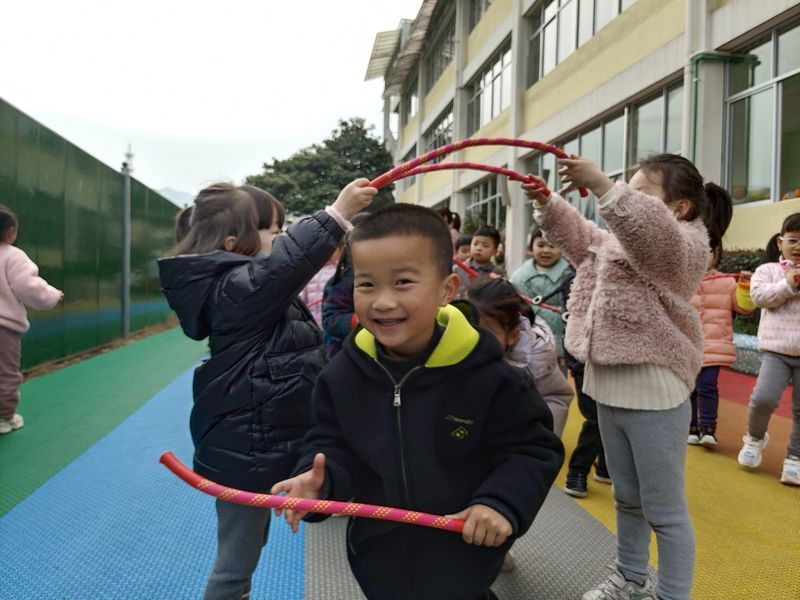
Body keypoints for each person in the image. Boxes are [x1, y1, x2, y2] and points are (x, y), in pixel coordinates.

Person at [271, 204, 564, 600]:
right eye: (366, 284)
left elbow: (531, 450)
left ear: (447, 290)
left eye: (403, 282)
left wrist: (500, 502)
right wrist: (319, 479)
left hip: (463, 549)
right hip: (377, 550)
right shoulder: (342, 375)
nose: (382, 302)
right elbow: (332, 441)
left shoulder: (492, 377)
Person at [523, 153, 731, 600]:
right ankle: (631, 578)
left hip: (655, 395)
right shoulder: (617, 244)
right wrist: (548, 203)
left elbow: (648, 231)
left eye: (640, 192)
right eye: (626, 190)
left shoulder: (684, 246)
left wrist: (603, 185)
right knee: (626, 499)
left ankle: (672, 594)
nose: (625, 199)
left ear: (679, 207)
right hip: (608, 389)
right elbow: (582, 237)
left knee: (665, 512)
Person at [158, 179, 376, 600]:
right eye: (273, 231)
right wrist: (336, 214)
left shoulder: (243, 288)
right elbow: (284, 265)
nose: (281, 239)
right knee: (236, 561)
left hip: (266, 435)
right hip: (246, 448)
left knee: (249, 546)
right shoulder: (235, 289)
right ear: (234, 242)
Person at [737, 212, 800, 486]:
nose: (798, 246)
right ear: (780, 242)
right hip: (776, 351)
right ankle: (754, 438)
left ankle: (795, 458)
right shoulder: (768, 271)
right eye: (793, 240)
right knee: (763, 398)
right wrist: (788, 284)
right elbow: (759, 298)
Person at [466, 277, 572, 437]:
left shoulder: (536, 360)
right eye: (467, 328)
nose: (474, 339)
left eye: (486, 334)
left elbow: (555, 396)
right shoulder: (454, 347)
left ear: (513, 335)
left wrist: (539, 439)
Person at [0, 205, 63, 434]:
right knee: (5, 373)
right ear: (10, 232)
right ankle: (4, 418)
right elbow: (29, 287)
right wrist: (53, 295)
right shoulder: (12, 256)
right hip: (3, 329)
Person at [688, 249, 754, 447]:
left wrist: (744, 286)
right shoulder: (681, 280)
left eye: (708, 251)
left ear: (716, 255)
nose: (702, 255)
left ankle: (708, 427)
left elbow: (744, 307)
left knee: (707, 384)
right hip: (688, 344)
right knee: (689, 387)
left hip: (715, 343)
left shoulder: (726, 282)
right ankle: (691, 426)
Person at [510, 225, 570, 361]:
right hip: (526, 346)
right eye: (541, 245)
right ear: (531, 247)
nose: (546, 250)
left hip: (560, 348)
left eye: (552, 246)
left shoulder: (570, 277)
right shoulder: (518, 277)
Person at [322, 213, 369, 358]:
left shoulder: (383, 276)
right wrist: (360, 320)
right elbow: (331, 321)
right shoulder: (342, 281)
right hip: (342, 354)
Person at [300, 240, 343, 327]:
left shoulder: (340, 271)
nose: (327, 253)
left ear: (341, 250)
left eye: (332, 249)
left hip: (332, 321)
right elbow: (302, 297)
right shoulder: (311, 271)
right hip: (311, 321)